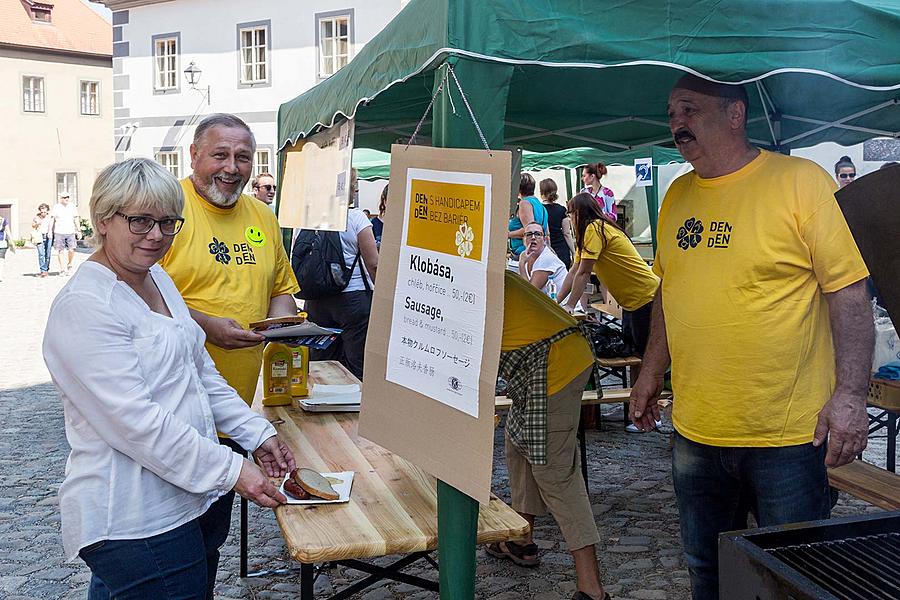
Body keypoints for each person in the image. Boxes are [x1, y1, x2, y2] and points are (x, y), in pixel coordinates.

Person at [629, 75, 872, 600]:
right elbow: (670, 292)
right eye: (672, 112)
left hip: (789, 436)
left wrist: (851, 396)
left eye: (690, 110)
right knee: (707, 571)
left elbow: (850, 293)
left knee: (795, 581)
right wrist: (650, 371)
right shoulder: (676, 196)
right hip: (696, 430)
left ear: (735, 114)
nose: (677, 123)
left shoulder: (802, 182)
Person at [42, 158, 296, 600]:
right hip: (134, 517)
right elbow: (136, 423)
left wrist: (256, 433)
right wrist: (235, 469)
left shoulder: (156, 278)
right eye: (139, 221)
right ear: (103, 219)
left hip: (181, 499)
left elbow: (199, 373)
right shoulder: (86, 305)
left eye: (166, 222)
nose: (156, 235)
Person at [159, 113, 300, 578]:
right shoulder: (165, 205)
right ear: (193, 155)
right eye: (219, 154)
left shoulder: (262, 214)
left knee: (209, 537)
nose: (231, 167)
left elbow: (281, 285)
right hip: (171, 408)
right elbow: (141, 290)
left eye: (242, 157)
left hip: (232, 405)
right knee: (161, 539)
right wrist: (205, 326)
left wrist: (278, 324)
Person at [489, 271, 609, 600]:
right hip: (548, 361)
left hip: (556, 366)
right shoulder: (480, 276)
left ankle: (592, 588)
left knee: (555, 473)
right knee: (517, 441)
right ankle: (521, 538)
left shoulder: (475, 284)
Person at [297, 174, 379, 380]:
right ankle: (354, 409)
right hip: (353, 301)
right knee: (356, 364)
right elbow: (373, 263)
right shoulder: (356, 218)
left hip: (316, 301)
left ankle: (322, 403)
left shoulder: (305, 219)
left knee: (322, 361)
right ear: (348, 189)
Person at [558, 192, 659, 357]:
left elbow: (583, 273)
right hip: (634, 300)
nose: (569, 218)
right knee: (634, 355)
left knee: (644, 357)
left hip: (644, 297)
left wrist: (569, 305)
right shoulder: (591, 232)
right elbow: (574, 270)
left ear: (578, 213)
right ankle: (636, 384)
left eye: (570, 213)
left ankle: (648, 384)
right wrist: (558, 303)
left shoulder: (594, 228)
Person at [519, 222, 567, 298]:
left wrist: (521, 264)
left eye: (538, 234)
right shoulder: (526, 257)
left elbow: (529, 293)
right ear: (524, 239)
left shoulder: (547, 258)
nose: (533, 237)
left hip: (562, 308)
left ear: (544, 239)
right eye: (529, 234)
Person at [508, 173, 549, 258]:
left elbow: (529, 230)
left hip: (524, 251)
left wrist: (508, 234)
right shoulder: (540, 205)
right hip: (537, 250)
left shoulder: (525, 203)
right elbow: (546, 232)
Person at [539, 178, 574, 268]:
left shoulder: (539, 210)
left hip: (546, 248)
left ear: (541, 192)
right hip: (562, 249)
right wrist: (574, 252)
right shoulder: (561, 209)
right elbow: (566, 233)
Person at [50, 192, 80, 275]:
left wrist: (79, 230)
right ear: (61, 198)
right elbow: (52, 219)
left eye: (68, 197)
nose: (66, 198)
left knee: (71, 249)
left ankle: (69, 263)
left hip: (70, 231)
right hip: (59, 232)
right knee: (60, 251)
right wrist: (50, 231)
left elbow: (76, 218)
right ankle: (62, 269)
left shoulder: (72, 206)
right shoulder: (57, 207)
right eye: (64, 197)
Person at [32, 203, 53, 277]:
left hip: (48, 235)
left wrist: (50, 233)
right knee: (41, 254)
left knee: (48, 253)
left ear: (47, 211)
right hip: (39, 236)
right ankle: (43, 270)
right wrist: (37, 223)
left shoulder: (50, 217)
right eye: (42, 212)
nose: (43, 213)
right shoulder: (36, 217)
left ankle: (46, 269)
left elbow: (51, 226)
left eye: (45, 212)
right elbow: (33, 226)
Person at [0, 214, 12, 281]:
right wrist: (11, 241)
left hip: (2, 243)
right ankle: (0, 276)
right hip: (3, 243)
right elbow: (7, 231)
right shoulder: (4, 220)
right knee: (1, 260)